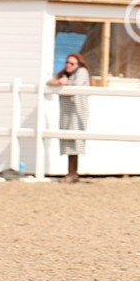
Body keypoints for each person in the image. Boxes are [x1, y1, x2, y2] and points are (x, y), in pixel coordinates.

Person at [47, 52, 90, 183]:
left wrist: (64, 82)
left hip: (77, 111)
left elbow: (75, 86)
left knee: (75, 142)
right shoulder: (65, 75)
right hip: (67, 112)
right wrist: (59, 81)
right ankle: (71, 173)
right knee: (68, 141)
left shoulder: (82, 72)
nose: (68, 65)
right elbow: (50, 82)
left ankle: (73, 173)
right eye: (67, 62)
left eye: (72, 63)